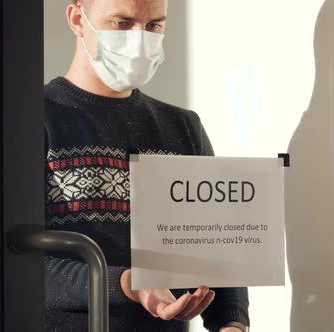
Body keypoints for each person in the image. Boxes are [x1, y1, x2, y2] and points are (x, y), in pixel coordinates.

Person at [44, 0, 250, 331]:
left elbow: (218, 253)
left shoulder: (183, 127)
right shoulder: (34, 121)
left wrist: (232, 324)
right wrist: (128, 284)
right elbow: (13, 264)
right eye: (122, 24)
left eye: (154, 25)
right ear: (77, 19)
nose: (140, 39)